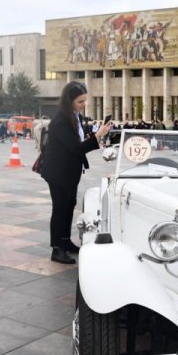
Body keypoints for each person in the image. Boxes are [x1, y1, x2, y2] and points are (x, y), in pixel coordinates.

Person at [40, 81, 111, 264]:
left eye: (84, 101)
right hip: (58, 171)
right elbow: (76, 148)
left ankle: (65, 241)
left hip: (70, 169)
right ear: (69, 100)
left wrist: (91, 137)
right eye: (80, 101)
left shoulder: (74, 116)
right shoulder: (61, 121)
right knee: (60, 208)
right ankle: (56, 249)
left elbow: (76, 144)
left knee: (69, 205)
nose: (83, 105)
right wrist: (98, 136)